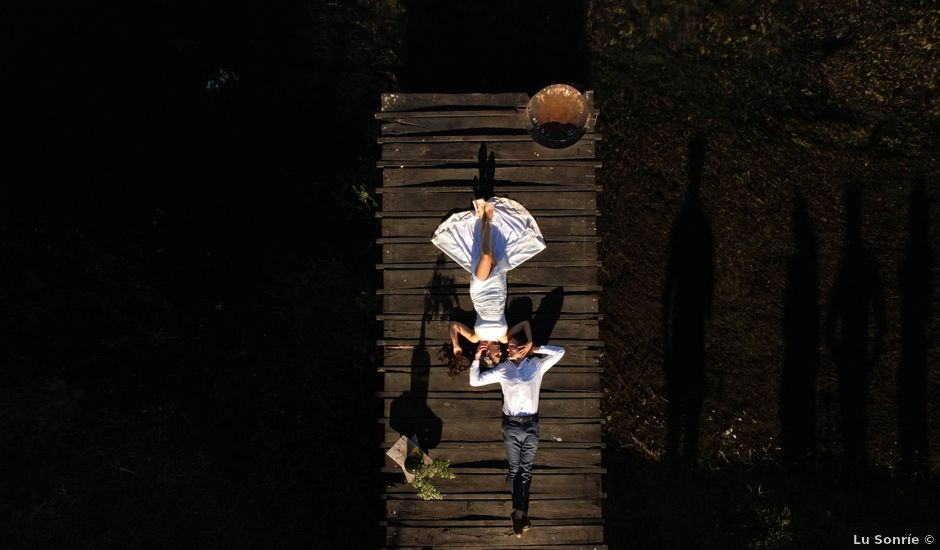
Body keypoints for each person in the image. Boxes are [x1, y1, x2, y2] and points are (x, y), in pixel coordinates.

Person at [467, 327, 566, 538]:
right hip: (511, 425)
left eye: (510, 346)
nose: (506, 349)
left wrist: (534, 348)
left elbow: (560, 352)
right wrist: (477, 357)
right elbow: (474, 381)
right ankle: (520, 513)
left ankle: (519, 514)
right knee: (514, 470)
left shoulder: (536, 366)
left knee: (526, 470)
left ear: (520, 347)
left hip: (531, 424)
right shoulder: (503, 368)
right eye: (508, 347)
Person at [432, 197, 546, 370]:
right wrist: (529, 342)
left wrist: (456, 345)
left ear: (487, 354)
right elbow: (525, 324)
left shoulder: (474, 336)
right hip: (499, 290)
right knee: (492, 256)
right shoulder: (504, 338)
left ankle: (487, 217)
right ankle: (481, 216)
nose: (501, 353)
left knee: (486, 256)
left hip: (480, 291)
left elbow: (453, 325)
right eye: (501, 356)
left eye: (497, 356)